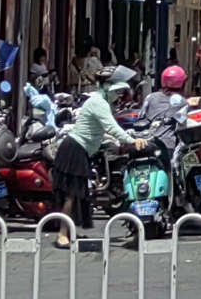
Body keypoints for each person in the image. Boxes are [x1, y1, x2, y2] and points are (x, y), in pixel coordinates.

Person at [53, 66, 145, 247]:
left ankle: (70, 231)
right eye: (117, 91)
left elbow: (102, 130)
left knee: (79, 194)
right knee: (72, 194)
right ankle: (62, 235)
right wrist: (131, 140)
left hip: (82, 149)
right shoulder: (99, 103)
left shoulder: (101, 101)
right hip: (75, 149)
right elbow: (111, 126)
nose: (119, 95)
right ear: (106, 87)